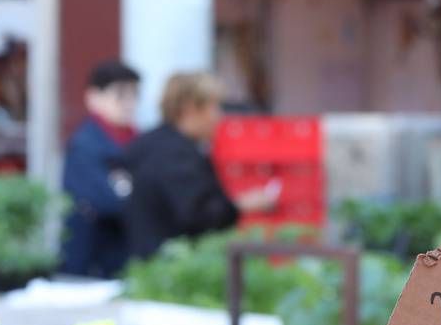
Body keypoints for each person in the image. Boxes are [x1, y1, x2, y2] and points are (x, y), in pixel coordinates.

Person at [119, 72, 278, 264]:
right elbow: (196, 216)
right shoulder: (175, 155)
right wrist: (241, 205)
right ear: (191, 109)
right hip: (169, 267)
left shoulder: (152, 143)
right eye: (214, 107)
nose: (218, 116)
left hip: (147, 262)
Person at [60, 59, 140, 278]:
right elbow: (108, 201)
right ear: (94, 98)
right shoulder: (85, 144)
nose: (129, 103)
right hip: (94, 261)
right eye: (120, 95)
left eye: (134, 95)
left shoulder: (137, 140)